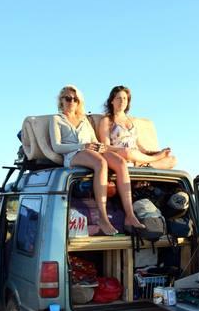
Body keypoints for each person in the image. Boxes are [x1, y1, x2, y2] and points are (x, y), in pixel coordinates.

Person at [49, 85, 145, 235]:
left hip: (91, 150)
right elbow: (57, 147)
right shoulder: (56, 119)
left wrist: (101, 147)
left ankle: (130, 215)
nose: (72, 101)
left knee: (120, 163)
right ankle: (103, 217)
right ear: (61, 101)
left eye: (75, 99)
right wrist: (83, 146)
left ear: (79, 102)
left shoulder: (84, 119)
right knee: (100, 163)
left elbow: (94, 140)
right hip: (73, 154)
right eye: (68, 98)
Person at [97, 85, 177, 169]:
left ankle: (145, 166)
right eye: (118, 98)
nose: (122, 101)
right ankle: (154, 159)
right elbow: (106, 147)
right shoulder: (107, 120)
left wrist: (153, 152)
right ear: (112, 101)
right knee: (128, 152)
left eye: (125, 98)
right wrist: (122, 150)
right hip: (122, 155)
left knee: (172, 159)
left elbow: (138, 145)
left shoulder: (132, 121)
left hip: (137, 156)